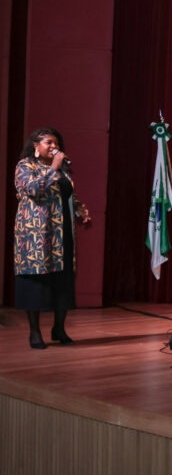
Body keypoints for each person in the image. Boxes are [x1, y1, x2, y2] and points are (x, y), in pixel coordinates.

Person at [13, 127, 91, 349]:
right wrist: (54, 167)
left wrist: (80, 210)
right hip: (35, 236)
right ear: (35, 145)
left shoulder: (63, 172)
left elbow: (68, 195)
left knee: (63, 281)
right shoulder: (25, 166)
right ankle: (34, 333)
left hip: (62, 233)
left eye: (56, 143)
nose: (53, 146)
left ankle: (59, 328)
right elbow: (33, 189)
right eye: (48, 142)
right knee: (36, 283)